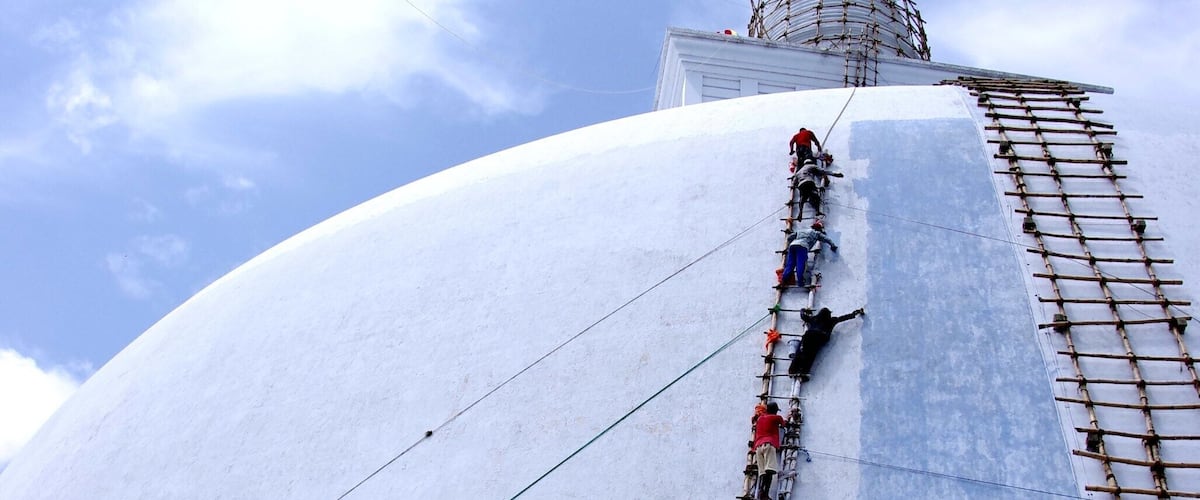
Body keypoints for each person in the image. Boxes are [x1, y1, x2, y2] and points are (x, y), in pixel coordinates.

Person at [788, 307, 865, 380]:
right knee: (811, 355)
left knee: (800, 352)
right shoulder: (831, 320)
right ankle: (804, 372)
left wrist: (804, 310)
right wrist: (855, 313)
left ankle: (792, 370)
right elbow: (843, 318)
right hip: (820, 337)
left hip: (809, 336)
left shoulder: (814, 318)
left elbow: (803, 315)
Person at [780, 221, 838, 288]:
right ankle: (800, 282)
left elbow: (789, 237)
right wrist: (833, 246)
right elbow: (827, 239)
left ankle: (784, 279)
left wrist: (791, 244)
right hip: (802, 247)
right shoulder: (817, 233)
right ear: (819, 229)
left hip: (792, 246)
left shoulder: (802, 230)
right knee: (800, 264)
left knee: (790, 264)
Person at [751, 401, 786, 500]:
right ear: (775, 411)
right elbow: (784, 425)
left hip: (758, 447)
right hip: (769, 445)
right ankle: (765, 494)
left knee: (762, 472)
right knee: (770, 470)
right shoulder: (776, 418)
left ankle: (762, 491)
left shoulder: (760, 419)